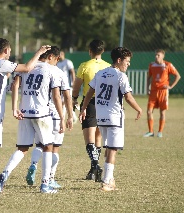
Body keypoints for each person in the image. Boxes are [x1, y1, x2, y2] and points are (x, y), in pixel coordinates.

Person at [0, 38, 51, 193]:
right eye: (9, 51)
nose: (10, 53)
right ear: (5, 50)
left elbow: (2, 77)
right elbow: (28, 67)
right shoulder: (0, 63)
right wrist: (40, 52)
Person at [0, 46, 72, 194]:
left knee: (22, 149)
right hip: (42, 113)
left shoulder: (27, 66)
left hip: (25, 112)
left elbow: (15, 85)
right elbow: (56, 96)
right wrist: (62, 118)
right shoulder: (52, 70)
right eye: (56, 59)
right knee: (48, 146)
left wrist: (15, 107)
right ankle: (45, 185)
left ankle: (4, 173)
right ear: (51, 57)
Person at [79, 47, 142, 191]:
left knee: (108, 147)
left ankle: (110, 178)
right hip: (114, 117)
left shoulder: (100, 73)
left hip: (101, 117)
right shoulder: (120, 76)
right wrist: (139, 108)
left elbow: (89, 92)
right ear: (119, 60)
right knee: (112, 149)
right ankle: (106, 182)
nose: (128, 64)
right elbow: (128, 96)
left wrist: (83, 109)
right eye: (127, 61)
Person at [25, 47, 74, 188]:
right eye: (57, 59)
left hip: (41, 113)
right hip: (56, 115)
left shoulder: (35, 68)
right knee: (54, 148)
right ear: (53, 57)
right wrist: (69, 116)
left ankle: (33, 165)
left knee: (40, 145)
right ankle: (50, 178)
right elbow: (65, 96)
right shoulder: (58, 72)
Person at [72, 39, 111, 182]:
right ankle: (92, 171)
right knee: (98, 137)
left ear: (90, 51)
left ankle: (96, 165)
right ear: (102, 51)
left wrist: (74, 98)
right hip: (105, 104)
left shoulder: (84, 66)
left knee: (89, 139)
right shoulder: (108, 66)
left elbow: (76, 86)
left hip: (90, 103)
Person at [143, 49, 181, 138]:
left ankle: (160, 132)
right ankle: (151, 132)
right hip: (153, 91)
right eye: (155, 55)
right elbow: (149, 77)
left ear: (163, 56)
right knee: (149, 111)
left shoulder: (168, 65)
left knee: (162, 113)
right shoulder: (151, 65)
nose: (156, 57)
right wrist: (147, 88)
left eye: (158, 55)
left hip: (163, 92)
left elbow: (178, 76)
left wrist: (170, 86)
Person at [57, 51, 77, 122]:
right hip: (59, 85)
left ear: (63, 54)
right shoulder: (58, 63)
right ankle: (72, 116)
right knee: (63, 101)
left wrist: (73, 81)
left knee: (66, 100)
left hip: (68, 85)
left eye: (60, 55)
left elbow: (72, 72)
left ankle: (64, 116)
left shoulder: (68, 62)